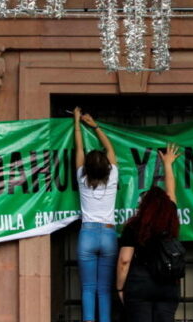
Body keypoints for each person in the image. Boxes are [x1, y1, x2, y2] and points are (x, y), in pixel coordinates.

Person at [116, 143, 181, 322]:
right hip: (168, 284)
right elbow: (171, 192)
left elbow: (124, 260)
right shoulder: (171, 219)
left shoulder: (133, 227)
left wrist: (120, 288)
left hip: (139, 285)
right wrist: (167, 164)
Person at [74, 107, 119, 322]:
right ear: (107, 167)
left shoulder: (82, 178)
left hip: (87, 234)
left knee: (88, 289)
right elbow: (110, 148)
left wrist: (76, 122)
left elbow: (78, 147)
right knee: (104, 289)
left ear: (87, 168)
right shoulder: (113, 177)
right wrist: (95, 126)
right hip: (109, 234)